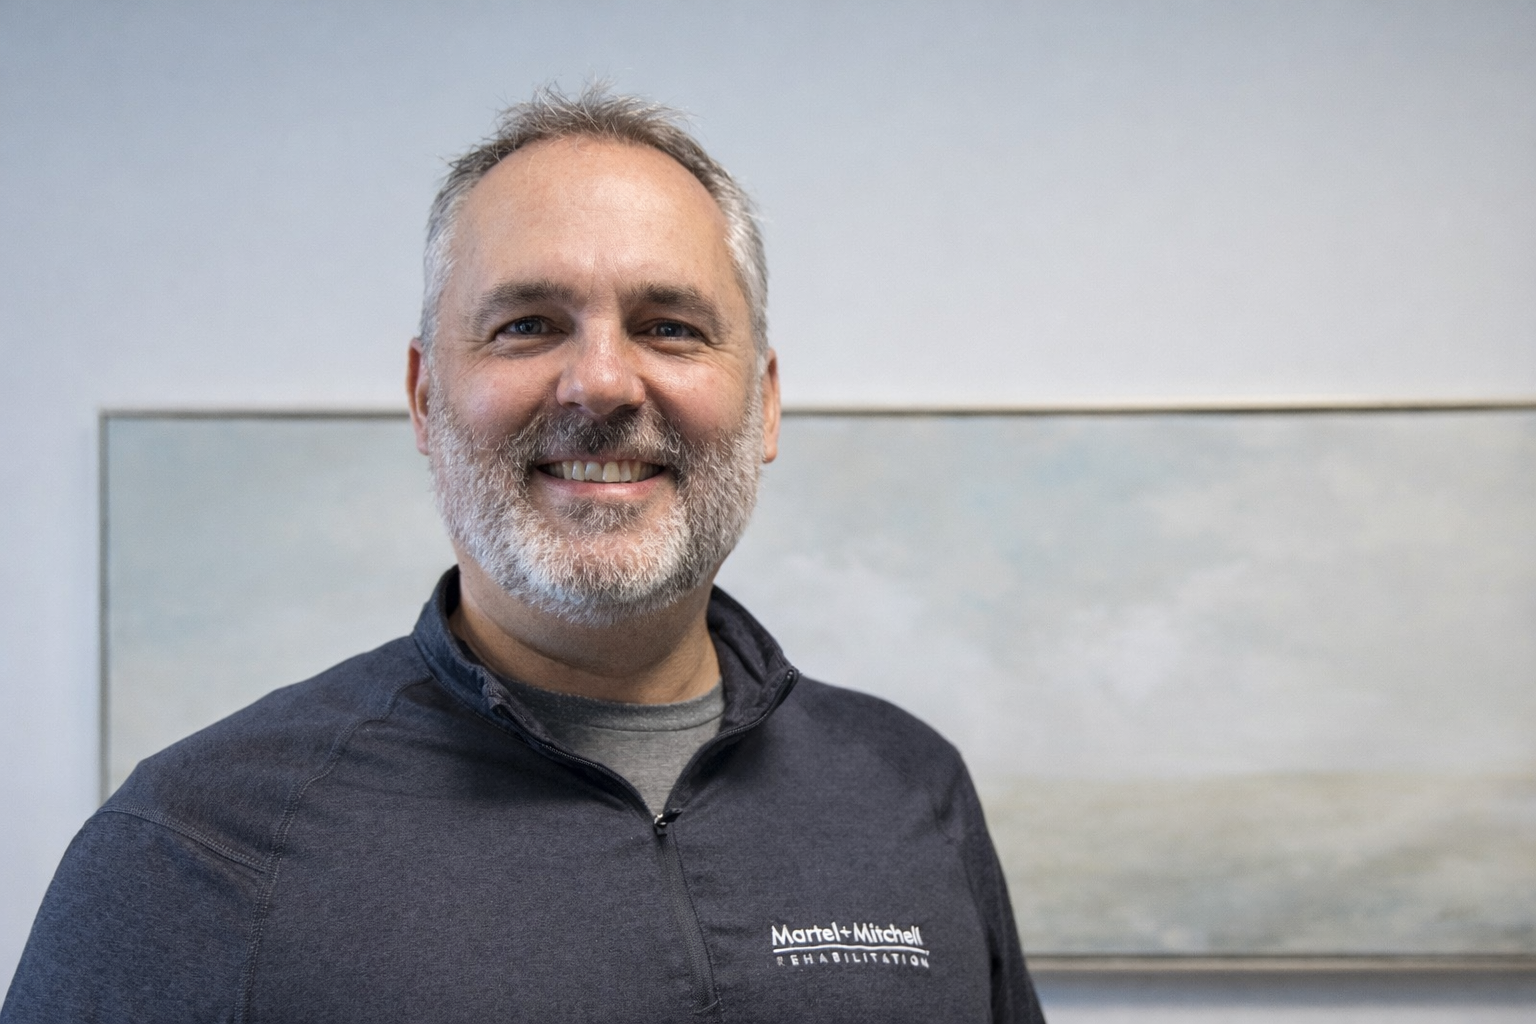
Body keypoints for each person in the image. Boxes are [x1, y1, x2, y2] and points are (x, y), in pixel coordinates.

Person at [3, 87, 1045, 1023]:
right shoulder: (188, 848)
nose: (601, 382)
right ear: (424, 396)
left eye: (670, 326)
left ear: (764, 401)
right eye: (527, 324)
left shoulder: (909, 788)